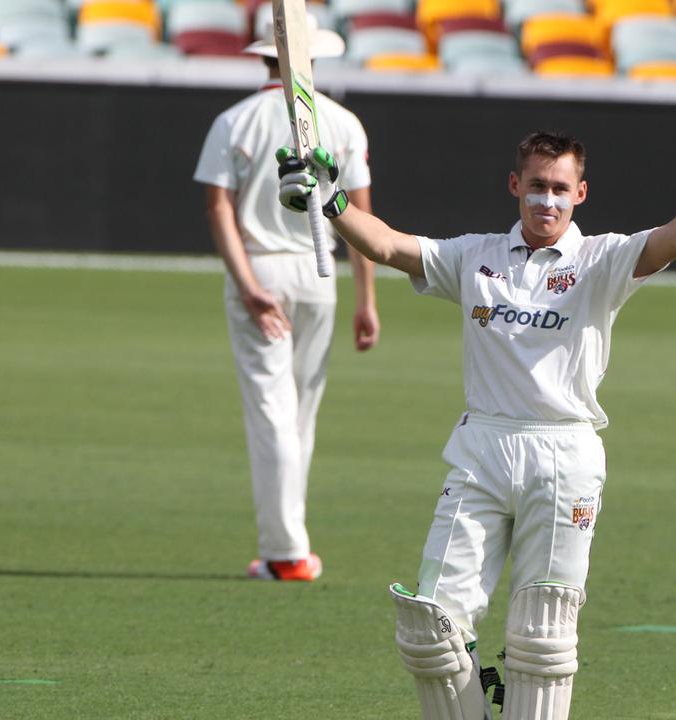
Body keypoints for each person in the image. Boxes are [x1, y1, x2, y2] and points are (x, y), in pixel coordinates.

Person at [277, 54, 676, 720]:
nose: (546, 199)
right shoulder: (474, 256)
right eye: (536, 185)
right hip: (482, 449)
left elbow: (674, 241)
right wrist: (331, 198)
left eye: (560, 188)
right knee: (431, 628)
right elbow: (390, 247)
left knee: (541, 641)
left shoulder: (601, 259)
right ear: (514, 185)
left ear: (581, 194)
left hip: (565, 454)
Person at [193, 14, 377, 582]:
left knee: (274, 412)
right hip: (319, 274)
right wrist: (366, 298)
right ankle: (289, 544)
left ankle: (286, 551)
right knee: (298, 414)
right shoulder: (343, 122)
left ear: (262, 57)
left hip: (264, 269)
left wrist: (248, 286)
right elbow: (362, 218)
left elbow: (218, 208)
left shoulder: (234, 120)